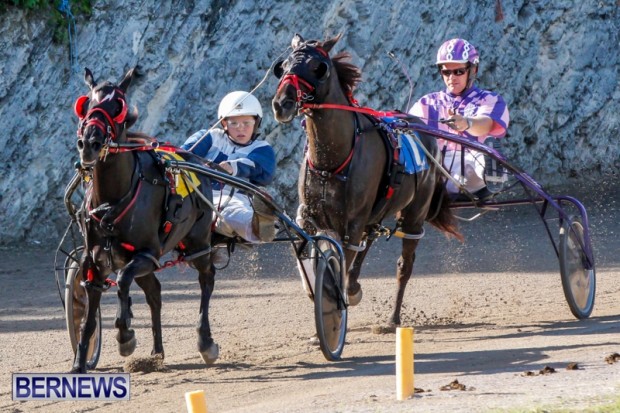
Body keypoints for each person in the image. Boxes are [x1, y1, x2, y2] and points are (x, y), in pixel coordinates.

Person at [409, 38, 510, 200]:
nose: (451, 77)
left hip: (472, 169)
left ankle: (493, 171)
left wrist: (467, 123)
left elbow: (486, 124)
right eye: (446, 72)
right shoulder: (426, 103)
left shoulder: (490, 100)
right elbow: (409, 127)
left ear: (473, 70)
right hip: (438, 169)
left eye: (458, 72)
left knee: (482, 154)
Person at [182, 91, 277, 243]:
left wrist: (233, 167)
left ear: (256, 123)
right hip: (196, 193)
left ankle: (259, 226)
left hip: (233, 198)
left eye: (246, 123)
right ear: (224, 123)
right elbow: (183, 153)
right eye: (234, 123)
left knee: (231, 213)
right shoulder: (210, 136)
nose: (240, 128)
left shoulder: (261, 148)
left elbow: (261, 170)